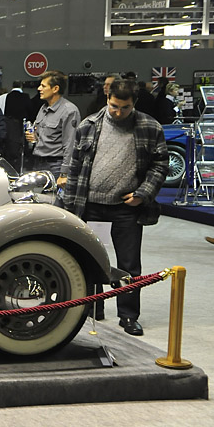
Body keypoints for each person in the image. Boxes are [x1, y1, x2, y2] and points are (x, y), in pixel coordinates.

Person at [63, 79, 169, 336]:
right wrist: (67, 205)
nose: (118, 112)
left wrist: (142, 194)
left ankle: (128, 315)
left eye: (125, 107)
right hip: (90, 207)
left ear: (134, 104)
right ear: (107, 97)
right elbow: (75, 168)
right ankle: (90, 309)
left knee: (129, 266)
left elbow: (160, 165)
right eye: (113, 106)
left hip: (126, 208)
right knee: (89, 262)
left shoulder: (149, 126)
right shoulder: (88, 125)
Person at [25, 70, 77, 181]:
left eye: (43, 86)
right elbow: (41, 136)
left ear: (55, 89)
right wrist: (35, 137)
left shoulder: (69, 111)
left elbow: (70, 145)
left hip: (56, 166)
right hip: (38, 163)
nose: (39, 89)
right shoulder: (43, 109)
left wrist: (64, 173)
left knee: (55, 198)